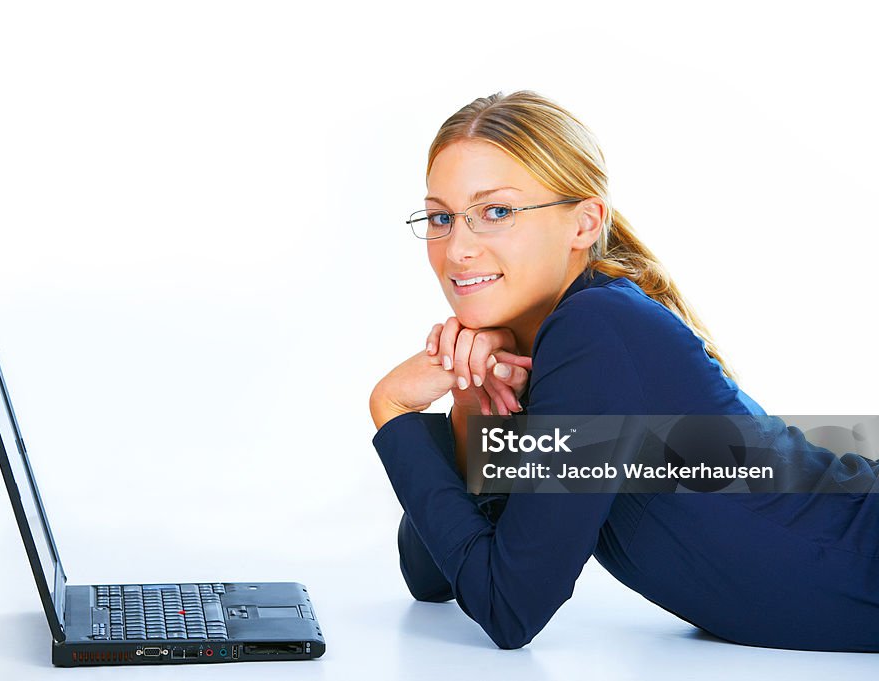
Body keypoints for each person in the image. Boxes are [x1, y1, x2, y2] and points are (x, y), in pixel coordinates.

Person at [368, 91, 879, 652]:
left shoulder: (595, 330)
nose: (457, 248)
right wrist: (469, 401)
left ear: (584, 223)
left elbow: (506, 605)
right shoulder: (550, 345)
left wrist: (391, 407)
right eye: (441, 217)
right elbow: (435, 578)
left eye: (497, 212)